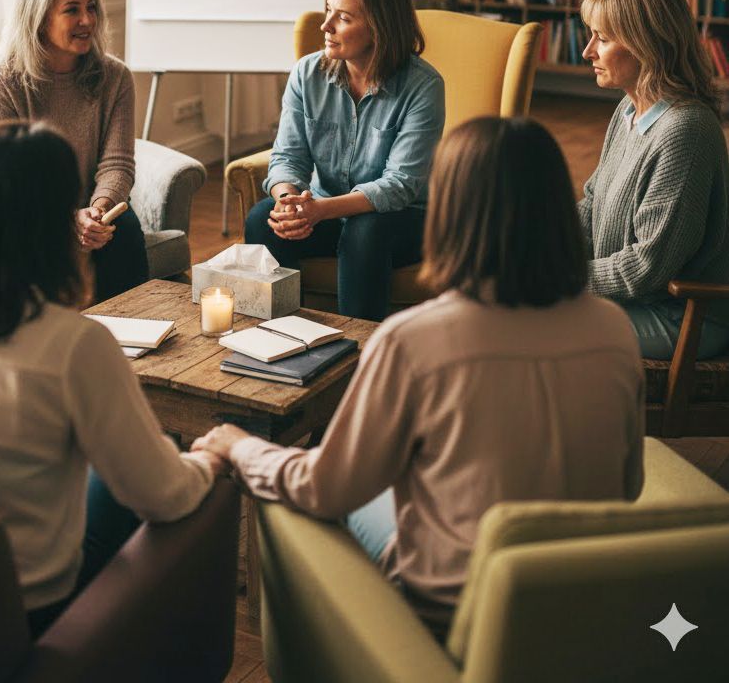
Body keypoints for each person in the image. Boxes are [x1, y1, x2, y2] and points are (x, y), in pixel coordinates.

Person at [194, 117, 644, 633]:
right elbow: (627, 486)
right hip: (583, 606)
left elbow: (324, 488)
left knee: (285, 493)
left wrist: (238, 446)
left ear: (449, 215)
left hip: (455, 614)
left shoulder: (414, 339)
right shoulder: (614, 331)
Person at [0, 121, 219, 636]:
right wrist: (209, 459)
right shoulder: (75, 344)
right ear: (53, 226)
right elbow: (167, 497)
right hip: (16, 612)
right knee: (149, 471)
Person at [244, 0, 445, 320]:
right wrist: (289, 202)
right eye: (327, 12)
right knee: (263, 218)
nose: (325, 27)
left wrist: (321, 211)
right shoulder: (307, 74)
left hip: (405, 218)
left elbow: (399, 185)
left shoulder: (423, 86)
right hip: (323, 209)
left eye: (343, 18)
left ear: (379, 28)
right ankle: (278, 334)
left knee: (365, 229)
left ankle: (360, 353)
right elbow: (288, 156)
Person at [0, 0, 148, 303]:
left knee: (125, 230)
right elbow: (8, 179)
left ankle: (136, 341)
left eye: (91, 8)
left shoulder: (115, 77)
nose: (87, 20)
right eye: (71, 10)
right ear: (38, 17)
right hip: (30, 214)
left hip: (95, 208)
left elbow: (118, 163)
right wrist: (66, 219)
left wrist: (98, 211)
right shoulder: (4, 81)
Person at [580, 0, 729, 359]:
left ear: (647, 44)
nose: (588, 51)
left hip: (683, 317)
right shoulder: (628, 109)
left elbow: (646, 267)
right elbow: (592, 202)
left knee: (529, 323)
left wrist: (557, 276)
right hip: (637, 303)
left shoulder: (686, 131)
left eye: (604, 38)